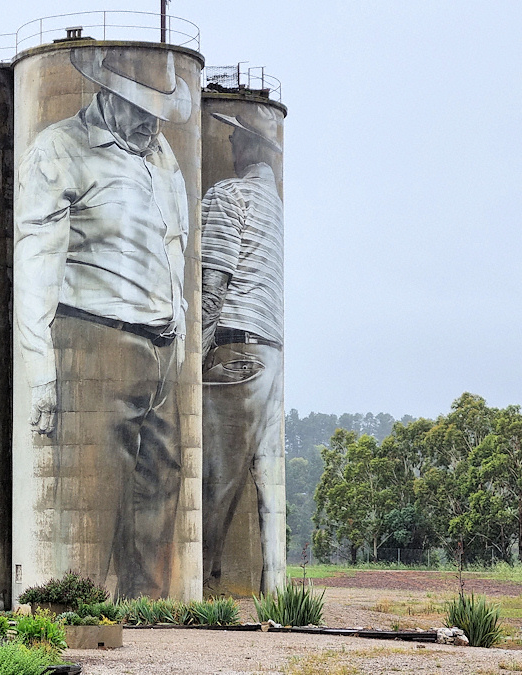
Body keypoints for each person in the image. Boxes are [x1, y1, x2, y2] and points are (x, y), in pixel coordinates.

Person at [14, 47, 192, 599]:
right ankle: (75, 622)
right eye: (140, 105)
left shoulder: (162, 158)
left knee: (160, 499)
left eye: (159, 109)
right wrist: (41, 373)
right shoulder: (60, 149)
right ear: (108, 94)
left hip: (161, 351)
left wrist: (180, 332)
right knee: (90, 510)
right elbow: (34, 267)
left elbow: (174, 247)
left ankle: (151, 631)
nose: (150, 120)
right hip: (95, 343)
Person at [199, 105, 286, 595]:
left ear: (251, 145)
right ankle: (278, 597)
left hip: (236, 347)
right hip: (273, 354)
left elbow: (214, 285)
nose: (229, 146)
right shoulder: (276, 207)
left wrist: (195, 355)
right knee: (269, 488)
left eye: (235, 139)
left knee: (212, 485)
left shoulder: (227, 195)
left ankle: (200, 594)